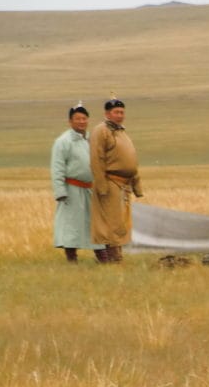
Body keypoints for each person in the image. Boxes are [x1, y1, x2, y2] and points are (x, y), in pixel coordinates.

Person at [89, 98, 143, 263]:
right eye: (116, 112)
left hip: (124, 185)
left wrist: (137, 186)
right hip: (110, 182)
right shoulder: (101, 131)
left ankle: (116, 256)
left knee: (120, 222)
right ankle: (114, 258)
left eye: (122, 112)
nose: (120, 115)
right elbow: (96, 159)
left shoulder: (121, 132)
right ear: (107, 113)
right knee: (111, 223)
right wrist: (102, 186)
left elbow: (131, 160)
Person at [49, 103, 103, 263]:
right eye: (77, 119)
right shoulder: (63, 141)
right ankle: (71, 258)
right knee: (71, 225)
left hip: (90, 189)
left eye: (84, 118)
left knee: (95, 224)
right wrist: (60, 192)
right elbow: (57, 168)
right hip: (71, 189)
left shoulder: (91, 139)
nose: (81, 121)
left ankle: (102, 256)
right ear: (70, 121)